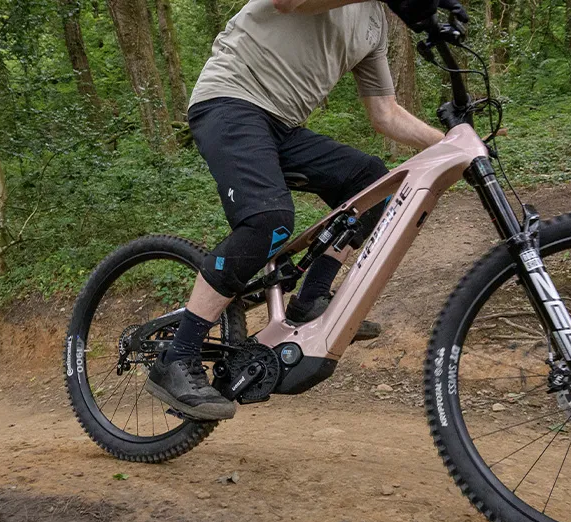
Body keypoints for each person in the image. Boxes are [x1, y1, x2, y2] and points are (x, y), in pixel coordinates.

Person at [145, 0, 469, 421]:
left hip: (282, 126)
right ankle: (177, 356)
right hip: (228, 102)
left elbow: (385, 114)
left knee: (375, 187)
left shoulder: (373, 25)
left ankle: (310, 298)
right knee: (267, 220)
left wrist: (450, 144)